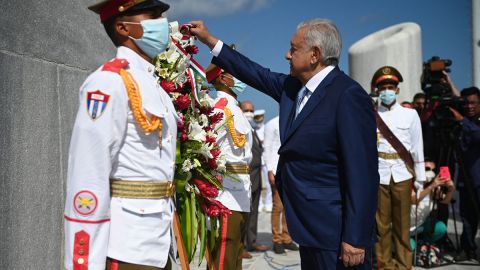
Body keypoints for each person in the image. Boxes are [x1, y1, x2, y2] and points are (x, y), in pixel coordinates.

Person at [190, 18, 379, 269]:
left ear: (315, 54)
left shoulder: (347, 96)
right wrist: (210, 40)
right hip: (308, 227)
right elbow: (256, 73)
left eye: (294, 48)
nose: (287, 55)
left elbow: (362, 173)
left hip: (336, 232)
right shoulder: (293, 89)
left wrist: (355, 237)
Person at [64, 1, 177, 269]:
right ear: (123, 27)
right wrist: (85, 261)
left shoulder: (152, 84)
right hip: (127, 245)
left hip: (158, 240)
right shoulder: (108, 82)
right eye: (152, 15)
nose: (162, 21)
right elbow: (88, 173)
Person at [372, 66, 426, 270]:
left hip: (402, 174)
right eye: (383, 87)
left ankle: (404, 265)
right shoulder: (371, 115)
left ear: (397, 90)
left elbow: (417, 147)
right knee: (382, 226)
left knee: (403, 225)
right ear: (378, 91)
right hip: (380, 175)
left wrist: (419, 179)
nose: (387, 90)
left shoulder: (410, 115)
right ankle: (384, 265)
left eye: (390, 86)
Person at [205, 62, 253, 270]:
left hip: (241, 192)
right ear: (223, 78)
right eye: (237, 72)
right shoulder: (219, 108)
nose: (242, 77)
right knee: (223, 256)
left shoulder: (235, 108)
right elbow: (207, 148)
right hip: (225, 195)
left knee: (235, 256)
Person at [449, 87, 480, 261]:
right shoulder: (459, 122)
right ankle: (467, 248)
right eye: (466, 103)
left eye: (474, 103)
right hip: (465, 179)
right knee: (467, 218)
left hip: (478, 179)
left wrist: (463, 121)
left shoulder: (468, 122)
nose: (469, 107)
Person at [264, 115, 298, 254]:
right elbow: (267, 148)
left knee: (289, 207)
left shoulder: (295, 120)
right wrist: (270, 170)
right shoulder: (272, 123)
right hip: (277, 169)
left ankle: (287, 237)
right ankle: (276, 239)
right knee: (278, 206)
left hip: (292, 169)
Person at [240, 101, 269, 258]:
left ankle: (251, 242)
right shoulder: (241, 129)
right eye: (247, 110)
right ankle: (242, 245)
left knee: (254, 212)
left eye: (252, 110)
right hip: (247, 176)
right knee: (244, 213)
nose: (250, 113)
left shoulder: (253, 130)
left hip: (257, 176)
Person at [410, 160, 455, 252]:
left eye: (433, 170)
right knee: (410, 250)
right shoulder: (410, 184)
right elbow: (414, 200)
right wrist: (432, 186)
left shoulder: (434, 188)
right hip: (404, 228)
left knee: (440, 227)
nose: (430, 172)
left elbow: (445, 202)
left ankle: (423, 242)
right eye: (426, 169)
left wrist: (451, 189)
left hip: (420, 226)